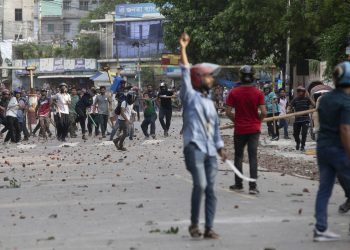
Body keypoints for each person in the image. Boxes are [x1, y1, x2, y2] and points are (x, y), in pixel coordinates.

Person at [179, 32, 226, 239]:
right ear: (198, 79)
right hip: (194, 147)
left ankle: (209, 227)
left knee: (211, 190)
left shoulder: (211, 103)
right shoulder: (190, 96)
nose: (212, 79)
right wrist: (183, 48)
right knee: (201, 185)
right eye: (208, 76)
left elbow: (215, 129)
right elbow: (185, 70)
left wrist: (221, 147)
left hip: (210, 151)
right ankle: (194, 224)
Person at [313, 61, 350, 241]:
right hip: (339, 149)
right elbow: (345, 130)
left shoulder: (324, 99)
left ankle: (320, 228)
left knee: (324, 188)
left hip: (322, 148)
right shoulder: (346, 101)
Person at [225, 65, 267, 195]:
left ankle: (238, 184)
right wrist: (257, 121)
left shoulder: (233, 92)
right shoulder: (258, 93)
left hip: (240, 129)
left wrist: (236, 121)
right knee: (253, 157)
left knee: (238, 157)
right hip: (254, 129)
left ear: (241, 77)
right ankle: (253, 187)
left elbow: (228, 112)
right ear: (253, 77)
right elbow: (264, 112)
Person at [288, 85, 315, 151]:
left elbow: (314, 105)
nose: (301, 92)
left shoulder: (307, 99)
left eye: (303, 91)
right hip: (297, 119)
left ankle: (302, 146)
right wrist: (289, 110)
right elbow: (289, 106)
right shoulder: (295, 99)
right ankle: (298, 142)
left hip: (305, 119)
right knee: (295, 134)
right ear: (297, 92)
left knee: (304, 133)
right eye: (299, 91)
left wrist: (309, 97)